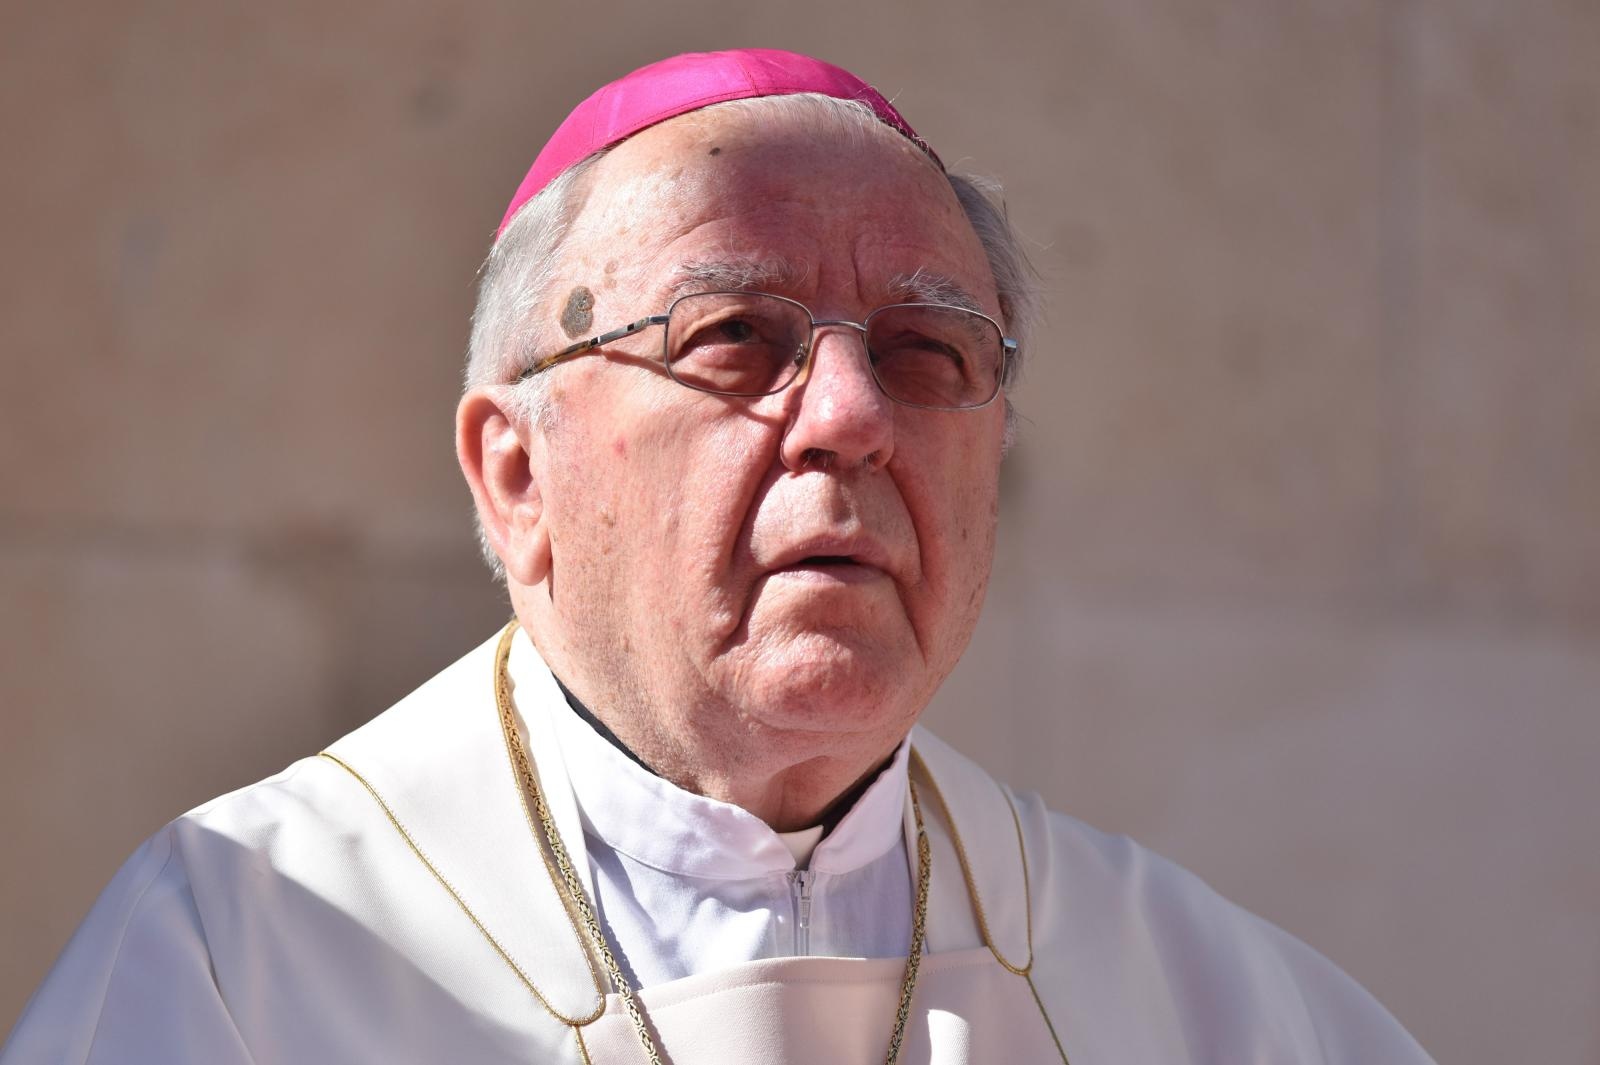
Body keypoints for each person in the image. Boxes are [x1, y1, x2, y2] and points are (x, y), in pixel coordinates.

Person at [2, 49, 1433, 1064]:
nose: (853, 416)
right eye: (734, 335)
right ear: (518, 474)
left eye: (927, 351)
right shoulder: (240, 955)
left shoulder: (1208, 1008)